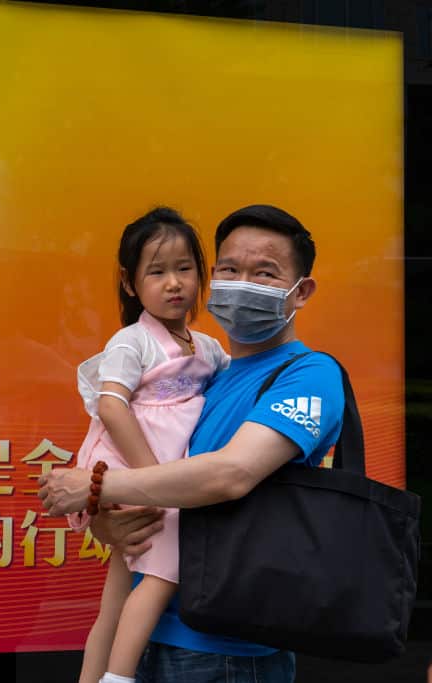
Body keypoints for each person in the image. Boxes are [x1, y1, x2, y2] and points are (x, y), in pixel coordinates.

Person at [39, 204, 346, 683]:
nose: (240, 282)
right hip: (146, 638)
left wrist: (100, 485)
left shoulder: (309, 375)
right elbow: (150, 466)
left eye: (264, 272)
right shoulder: (207, 375)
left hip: (226, 651)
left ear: (300, 291)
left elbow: (230, 474)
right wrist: (105, 518)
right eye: (229, 269)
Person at [67, 207, 228, 683]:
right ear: (130, 282)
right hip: (141, 470)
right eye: (157, 272)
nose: (174, 283)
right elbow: (112, 408)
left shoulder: (208, 348)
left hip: (160, 478)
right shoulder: (131, 342)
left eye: (184, 269)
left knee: (117, 593)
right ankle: (119, 677)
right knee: (163, 576)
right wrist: (151, 482)